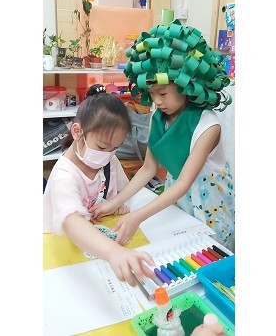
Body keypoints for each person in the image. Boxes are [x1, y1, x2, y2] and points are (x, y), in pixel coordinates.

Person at [91, 21, 236, 253]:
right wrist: (115, 202)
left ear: (187, 84)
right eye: (151, 93)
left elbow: (184, 182)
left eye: (163, 93)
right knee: (179, 249)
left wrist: (137, 216)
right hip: (177, 199)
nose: (156, 101)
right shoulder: (157, 118)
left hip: (211, 205)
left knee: (210, 254)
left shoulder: (208, 126)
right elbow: (149, 168)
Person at [43, 84, 155, 286]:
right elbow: (71, 221)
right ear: (77, 132)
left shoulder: (108, 160)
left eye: (115, 148)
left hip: (93, 245)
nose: (107, 154)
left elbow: (120, 192)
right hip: (60, 245)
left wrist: (116, 204)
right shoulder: (64, 176)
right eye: (102, 147)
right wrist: (113, 252)